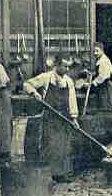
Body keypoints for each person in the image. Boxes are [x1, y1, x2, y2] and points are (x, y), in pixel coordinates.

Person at [23, 54, 80, 183]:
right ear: (57, 65)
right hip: (49, 117)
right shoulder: (46, 77)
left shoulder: (68, 81)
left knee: (64, 146)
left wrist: (74, 118)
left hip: (64, 118)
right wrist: (34, 93)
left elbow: (72, 101)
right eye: (64, 66)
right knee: (50, 145)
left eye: (68, 66)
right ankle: (49, 174)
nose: (66, 69)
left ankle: (62, 173)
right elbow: (26, 84)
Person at [82, 42, 112, 112]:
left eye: (97, 51)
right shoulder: (100, 60)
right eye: (94, 51)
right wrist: (90, 73)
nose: (95, 53)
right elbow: (99, 73)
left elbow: (102, 76)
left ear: (102, 51)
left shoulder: (104, 61)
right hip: (102, 87)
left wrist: (91, 83)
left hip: (105, 87)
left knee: (105, 107)